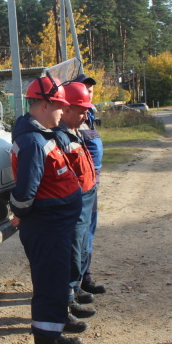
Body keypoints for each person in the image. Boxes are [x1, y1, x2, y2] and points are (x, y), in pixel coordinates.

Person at [9, 76, 87, 344]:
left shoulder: (45, 133)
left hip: (57, 225)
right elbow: (26, 191)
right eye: (59, 106)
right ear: (43, 105)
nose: (61, 112)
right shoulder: (32, 141)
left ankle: (53, 334)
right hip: (46, 225)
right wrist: (19, 212)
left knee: (57, 281)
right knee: (49, 285)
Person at [54, 82, 98, 318]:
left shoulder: (74, 130)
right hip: (75, 202)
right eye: (81, 110)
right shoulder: (60, 136)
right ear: (67, 109)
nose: (85, 115)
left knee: (82, 249)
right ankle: (67, 301)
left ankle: (76, 288)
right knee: (72, 252)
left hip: (87, 197)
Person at [71, 73, 107, 298]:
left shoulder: (89, 115)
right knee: (80, 235)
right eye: (84, 88)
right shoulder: (73, 119)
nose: (89, 91)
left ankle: (86, 276)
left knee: (89, 232)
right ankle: (76, 283)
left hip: (92, 183)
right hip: (80, 186)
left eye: (91, 88)